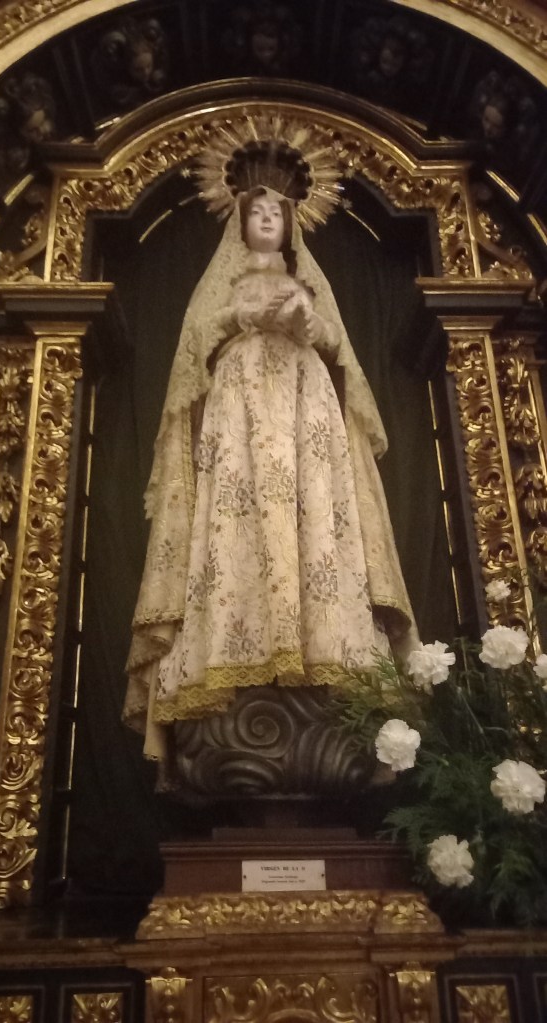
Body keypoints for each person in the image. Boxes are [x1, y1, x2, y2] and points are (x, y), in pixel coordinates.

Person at [124, 185, 415, 761]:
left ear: (289, 225)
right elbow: (197, 343)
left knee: (314, 510)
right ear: (239, 224)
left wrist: (307, 323)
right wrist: (242, 316)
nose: (264, 221)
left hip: (305, 405)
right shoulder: (223, 284)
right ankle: (234, 652)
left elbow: (335, 346)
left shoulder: (309, 283)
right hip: (239, 408)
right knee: (236, 517)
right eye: (254, 213)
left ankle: (322, 651)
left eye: (273, 214)